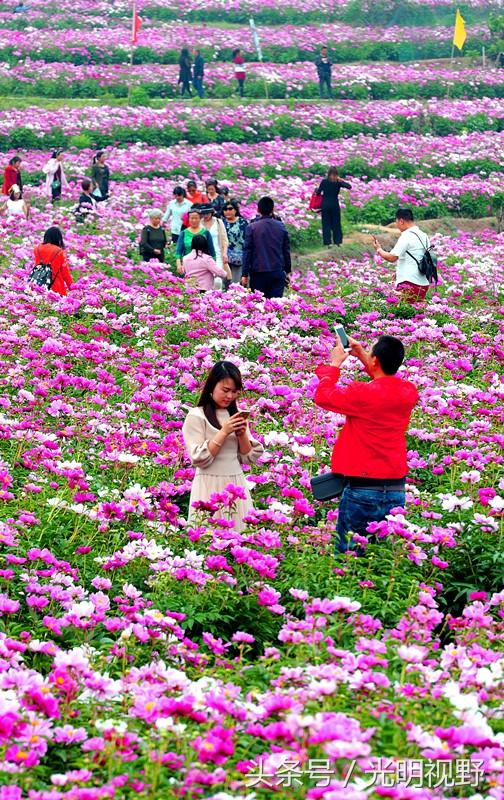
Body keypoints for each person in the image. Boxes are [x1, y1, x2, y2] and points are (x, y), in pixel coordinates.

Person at [314, 333, 418, 555]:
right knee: (382, 557)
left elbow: (323, 396)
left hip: (363, 489)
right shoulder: (408, 392)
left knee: (350, 557)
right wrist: (363, 354)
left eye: (371, 352)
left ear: (376, 361)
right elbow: (384, 380)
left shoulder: (363, 393)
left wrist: (334, 364)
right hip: (396, 489)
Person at [182, 361, 264, 532]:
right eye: (225, 390)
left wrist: (242, 434)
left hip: (235, 483)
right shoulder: (197, 416)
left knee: (241, 538)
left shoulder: (236, 414)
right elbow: (199, 458)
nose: (229, 396)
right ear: (212, 386)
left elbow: (247, 457)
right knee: (208, 537)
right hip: (208, 483)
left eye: (234, 392)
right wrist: (224, 431)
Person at [372, 209, 431, 303]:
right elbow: (421, 258)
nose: (396, 225)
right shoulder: (424, 236)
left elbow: (392, 257)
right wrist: (399, 272)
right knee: (416, 313)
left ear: (401, 221)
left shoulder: (407, 236)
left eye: (396, 222)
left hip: (409, 283)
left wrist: (379, 249)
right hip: (423, 283)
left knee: (402, 314)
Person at [241, 196, 291, 299]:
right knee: (276, 306)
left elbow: (247, 252)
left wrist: (244, 274)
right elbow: (286, 250)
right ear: (272, 209)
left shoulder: (252, 227)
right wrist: (288, 270)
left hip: (258, 272)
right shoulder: (281, 226)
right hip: (277, 271)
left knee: (260, 307)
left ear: (258, 210)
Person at [316, 166, 351, 247]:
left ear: (328, 174)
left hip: (325, 205)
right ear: (336, 174)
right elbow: (349, 186)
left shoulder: (324, 181)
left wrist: (316, 190)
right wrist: (341, 180)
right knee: (336, 224)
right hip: (334, 205)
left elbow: (318, 193)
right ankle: (338, 242)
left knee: (326, 224)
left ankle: (328, 243)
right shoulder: (338, 182)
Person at [33, 227, 73, 297]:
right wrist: (73, 288)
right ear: (58, 238)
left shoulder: (37, 249)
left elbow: (37, 266)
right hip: (56, 286)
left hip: (39, 285)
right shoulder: (59, 251)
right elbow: (65, 274)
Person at [223, 199, 248, 284]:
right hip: (225, 257)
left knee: (235, 282)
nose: (227, 211)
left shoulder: (243, 222)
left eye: (230, 209)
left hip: (239, 257)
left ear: (235, 210)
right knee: (225, 281)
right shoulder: (221, 223)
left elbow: (247, 239)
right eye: (225, 209)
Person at [200, 204, 229, 270]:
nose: (205, 215)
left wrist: (224, 253)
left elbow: (224, 240)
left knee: (217, 277)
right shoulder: (199, 223)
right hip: (202, 255)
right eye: (203, 213)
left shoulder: (218, 222)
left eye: (207, 213)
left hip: (217, 254)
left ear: (211, 212)